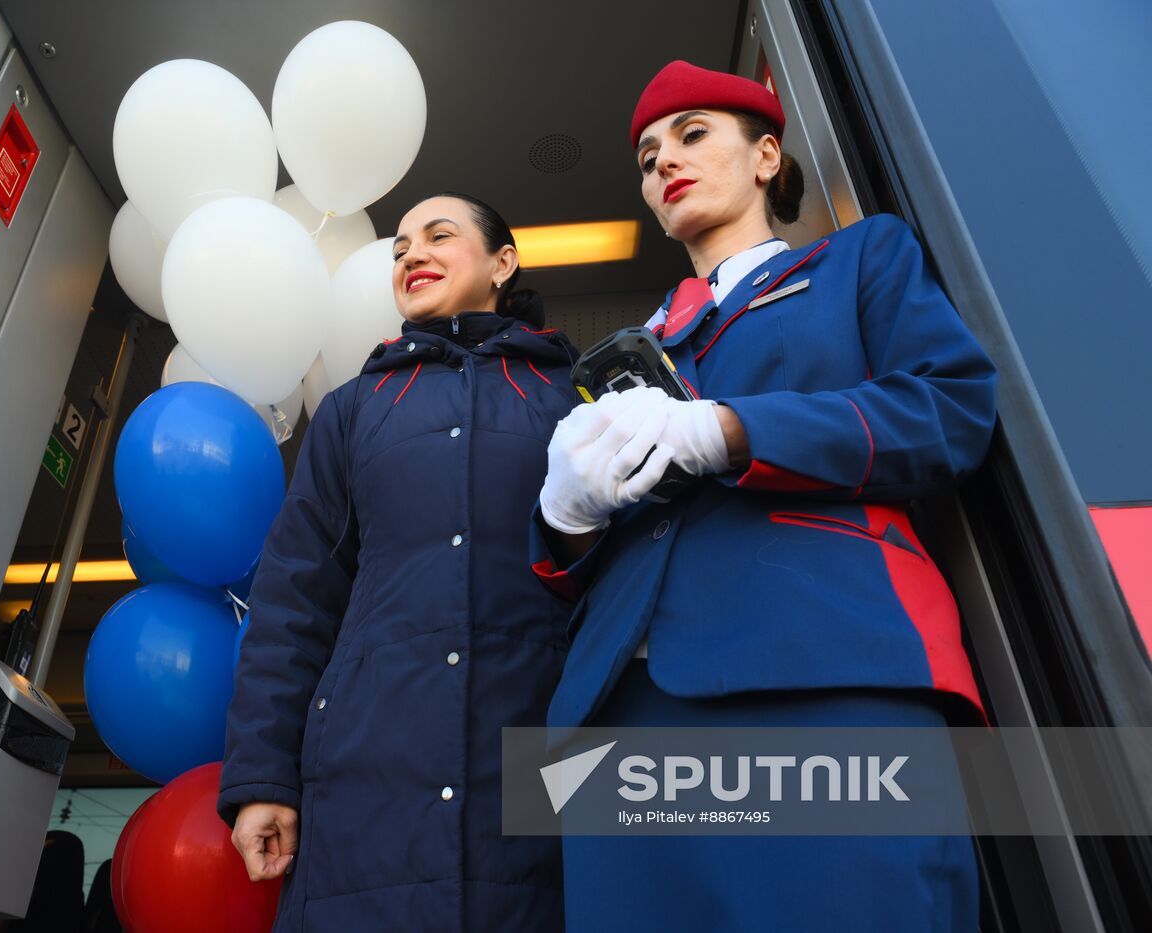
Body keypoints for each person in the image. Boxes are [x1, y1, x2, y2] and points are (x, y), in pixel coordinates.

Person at [532, 60, 998, 931]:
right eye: (647, 158)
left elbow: (948, 408)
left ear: (767, 155)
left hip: (817, 663)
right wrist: (563, 517)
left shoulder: (858, 259)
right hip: (621, 713)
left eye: (691, 135)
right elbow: (579, 559)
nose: (664, 162)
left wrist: (732, 430)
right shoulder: (629, 349)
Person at [218, 193, 581, 931]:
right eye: (400, 248)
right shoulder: (353, 409)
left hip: (545, 742)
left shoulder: (572, 395)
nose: (413, 254)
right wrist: (263, 777)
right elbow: (294, 599)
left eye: (439, 236)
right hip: (367, 750)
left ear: (503, 263)